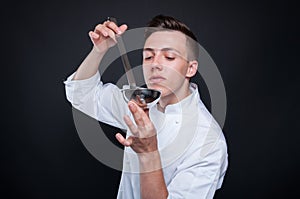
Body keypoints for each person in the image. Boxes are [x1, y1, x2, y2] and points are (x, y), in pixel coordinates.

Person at [64, 14, 228, 199]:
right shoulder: (138, 104)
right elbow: (81, 94)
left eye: (169, 56)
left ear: (190, 68)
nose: (155, 64)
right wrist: (99, 51)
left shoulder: (208, 142)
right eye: (148, 56)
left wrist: (148, 152)